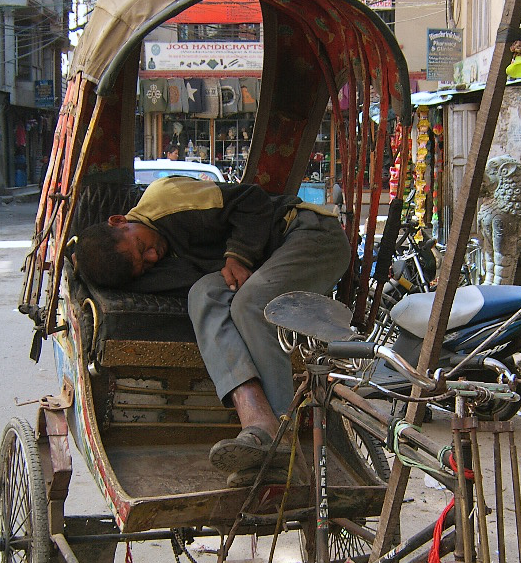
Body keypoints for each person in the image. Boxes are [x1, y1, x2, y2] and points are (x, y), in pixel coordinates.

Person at [73, 176, 351, 482]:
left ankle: (282, 441)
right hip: (268, 264)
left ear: (119, 221)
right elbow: (151, 276)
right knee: (202, 295)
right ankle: (258, 421)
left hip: (310, 234)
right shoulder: (152, 261)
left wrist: (237, 256)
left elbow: (251, 199)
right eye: (144, 265)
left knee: (249, 305)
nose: (153, 257)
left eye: (142, 247)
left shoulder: (165, 198)